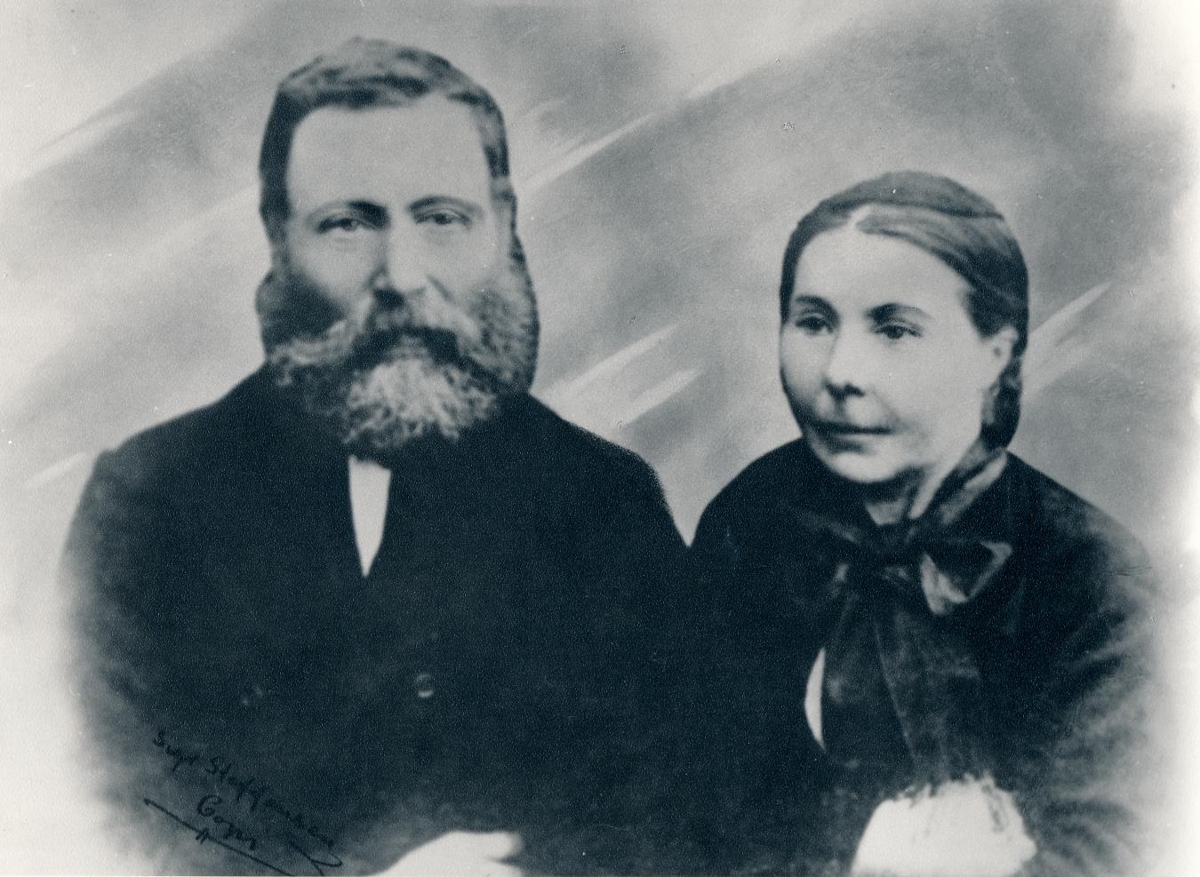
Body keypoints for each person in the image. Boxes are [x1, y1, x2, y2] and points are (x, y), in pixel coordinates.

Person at [60, 38, 684, 876]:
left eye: (441, 218)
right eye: (348, 224)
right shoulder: (148, 503)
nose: (402, 275)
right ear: (278, 239)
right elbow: (95, 827)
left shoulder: (607, 504)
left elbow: (678, 824)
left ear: (503, 226)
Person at [688, 172, 1162, 876]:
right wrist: (874, 845)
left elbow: (1115, 853)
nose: (841, 372)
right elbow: (697, 804)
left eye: (895, 329)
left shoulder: (1089, 575)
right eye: (814, 322)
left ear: (995, 353)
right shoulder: (753, 522)